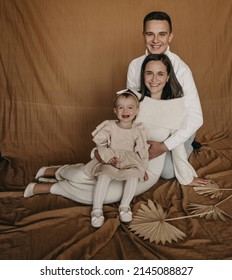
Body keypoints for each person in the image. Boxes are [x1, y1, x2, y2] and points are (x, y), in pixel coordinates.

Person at [24, 54, 209, 211]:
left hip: (145, 170)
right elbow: (116, 128)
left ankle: (46, 188)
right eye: (149, 73)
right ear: (143, 75)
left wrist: (187, 177)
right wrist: (100, 153)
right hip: (119, 158)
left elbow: (176, 149)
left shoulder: (175, 107)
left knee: (104, 194)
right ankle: (58, 171)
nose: (154, 79)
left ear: (168, 77)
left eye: (160, 74)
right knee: (83, 176)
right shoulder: (133, 100)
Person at [127, 11, 203, 180]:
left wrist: (164, 146)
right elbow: (131, 105)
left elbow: (196, 118)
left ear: (170, 37)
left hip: (179, 125)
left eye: (162, 34)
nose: (155, 40)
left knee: (168, 173)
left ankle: (189, 143)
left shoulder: (182, 70)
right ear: (143, 36)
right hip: (150, 126)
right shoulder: (134, 65)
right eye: (150, 34)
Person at [84, 91, 149, 227]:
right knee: (104, 175)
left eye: (130, 107)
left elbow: (142, 151)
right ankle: (97, 210)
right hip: (112, 159)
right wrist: (107, 156)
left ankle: (124, 207)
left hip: (130, 160)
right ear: (115, 110)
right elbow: (100, 143)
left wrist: (143, 168)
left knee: (133, 176)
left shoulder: (138, 130)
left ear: (137, 110)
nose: (125, 111)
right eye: (121, 107)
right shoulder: (109, 126)